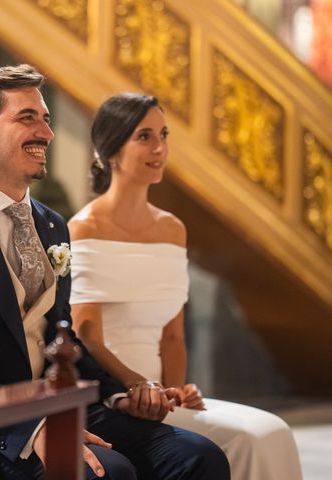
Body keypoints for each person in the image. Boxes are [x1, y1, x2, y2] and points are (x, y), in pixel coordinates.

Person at [0, 65, 230, 480]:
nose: (47, 133)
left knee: (200, 458)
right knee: (106, 474)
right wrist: (31, 428)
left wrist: (116, 396)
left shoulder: (52, 224)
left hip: (57, 408)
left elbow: (62, 338)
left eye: (46, 119)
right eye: (27, 118)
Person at [68, 93, 303, 480]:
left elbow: (173, 338)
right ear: (111, 148)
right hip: (113, 399)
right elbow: (87, 334)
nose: (159, 148)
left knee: (272, 432)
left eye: (163, 134)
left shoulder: (172, 230)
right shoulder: (84, 228)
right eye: (144, 137)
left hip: (162, 398)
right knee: (250, 438)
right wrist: (138, 387)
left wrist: (175, 392)